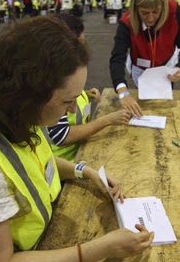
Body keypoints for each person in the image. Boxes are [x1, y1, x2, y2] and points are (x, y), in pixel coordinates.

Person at [0, 17, 154, 262]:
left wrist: (85, 172)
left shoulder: (16, 111)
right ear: (31, 93)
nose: (73, 108)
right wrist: (99, 249)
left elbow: (35, 162)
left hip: (43, 240)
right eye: (67, 101)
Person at [48, 14, 131, 162]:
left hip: (80, 151)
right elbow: (61, 135)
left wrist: (83, 95)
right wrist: (107, 120)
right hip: (65, 164)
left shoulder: (68, 70)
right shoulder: (55, 82)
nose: (83, 51)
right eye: (79, 44)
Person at [109, 0, 180, 117]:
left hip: (166, 69)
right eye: (144, 13)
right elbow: (117, 58)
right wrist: (123, 92)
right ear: (136, 8)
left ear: (163, 6)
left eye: (156, 12)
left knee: (163, 110)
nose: (150, 19)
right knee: (143, 109)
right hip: (140, 69)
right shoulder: (126, 22)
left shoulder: (174, 11)